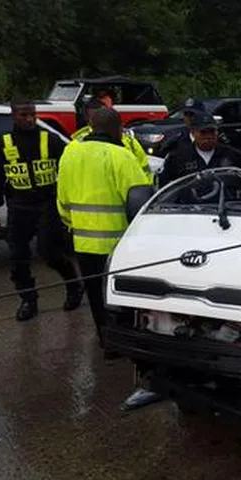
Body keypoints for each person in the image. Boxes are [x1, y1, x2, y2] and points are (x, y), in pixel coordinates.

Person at [57, 107, 153, 352]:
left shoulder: (70, 152)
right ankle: (124, 343)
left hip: (82, 242)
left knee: (96, 297)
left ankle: (106, 342)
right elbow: (140, 201)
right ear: (117, 130)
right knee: (121, 298)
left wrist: (75, 224)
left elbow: (62, 200)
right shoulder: (120, 156)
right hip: (118, 245)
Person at [0, 99, 83, 321]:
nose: (29, 119)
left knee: (48, 252)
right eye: (24, 115)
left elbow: (70, 164)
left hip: (46, 205)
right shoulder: (3, 143)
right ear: (14, 117)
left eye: (32, 114)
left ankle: (74, 286)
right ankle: (28, 300)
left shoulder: (49, 139)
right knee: (17, 257)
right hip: (18, 207)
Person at [158, 111, 241, 187]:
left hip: (226, 207)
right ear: (193, 132)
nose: (208, 136)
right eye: (203, 132)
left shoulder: (233, 155)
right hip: (188, 209)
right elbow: (164, 187)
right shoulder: (177, 157)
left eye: (212, 131)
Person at [70, 97, 152, 180]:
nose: (101, 118)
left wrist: (146, 189)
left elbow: (144, 169)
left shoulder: (129, 140)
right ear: (87, 119)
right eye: (95, 117)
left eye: (104, 114)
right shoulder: (80, 142)